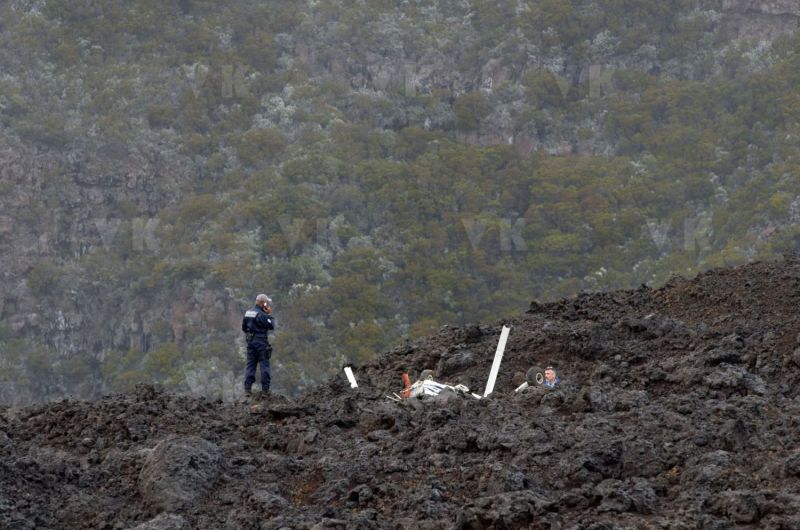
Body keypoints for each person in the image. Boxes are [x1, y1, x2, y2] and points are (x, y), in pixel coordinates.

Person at [241, 294, 275, 396]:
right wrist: (269, 314)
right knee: (264, 365)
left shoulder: (248, 313)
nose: (267, 304)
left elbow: (244, 328)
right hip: (261, 343)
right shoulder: (262, 315)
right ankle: (265, 391)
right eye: (266, 302)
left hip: (250, 343)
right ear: (263, 303)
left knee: (250, 365)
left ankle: (247, 390)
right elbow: (271, 326)